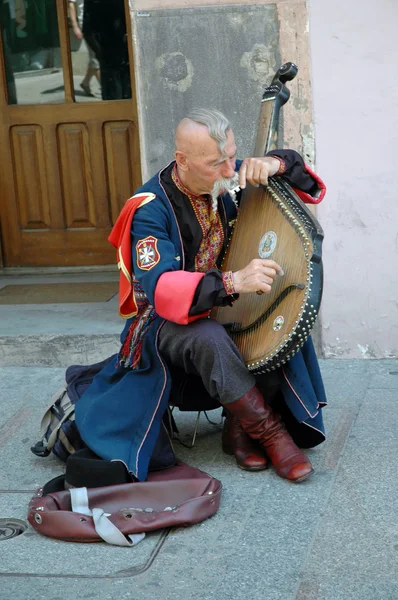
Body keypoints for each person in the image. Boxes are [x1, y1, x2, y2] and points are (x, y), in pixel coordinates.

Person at [75, 108, 327, 484]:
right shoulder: (148, 209)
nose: (229, 170)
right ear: (183, 161)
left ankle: (238, 430)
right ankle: (270, 433)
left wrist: (271, 163)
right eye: (216, 163)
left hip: (221, 306)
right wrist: (232, 283)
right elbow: (161, 289)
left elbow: (295, 169)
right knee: (207, 336)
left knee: (279, 308)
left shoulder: (225, 173)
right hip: (162, 325)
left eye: (232, 155)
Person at [68, 0, 100, 97]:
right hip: (88, 25)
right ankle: (107, 90)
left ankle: (85, 83)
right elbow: (71, 5)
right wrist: (75, 27)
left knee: (96, 57)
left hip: (101, 24)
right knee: (97, 58)